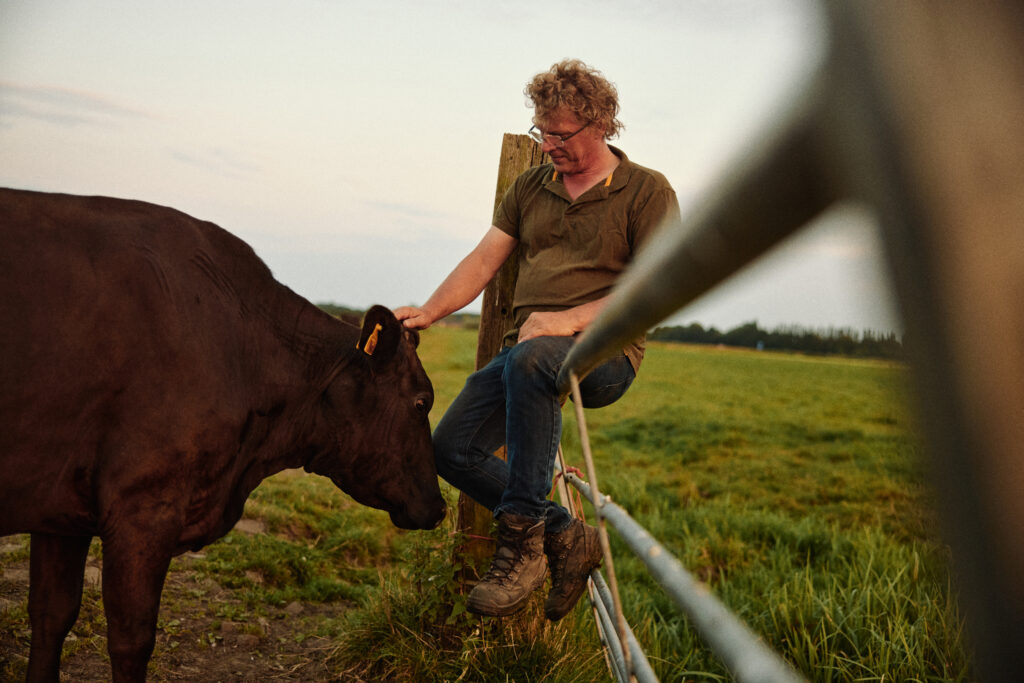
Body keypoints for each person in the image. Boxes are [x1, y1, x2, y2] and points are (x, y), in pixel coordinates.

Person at [394, 59, 681, 621]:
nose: (548, 145)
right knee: (449, 449)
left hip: (605, 354)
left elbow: (658, 288)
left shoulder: (646, 191)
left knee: (534, 356)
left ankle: (521, 548)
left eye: (560, 135)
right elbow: (484, 259)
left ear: (601, 125)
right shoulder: (531, 186)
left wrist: (567, 320)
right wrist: (430, 310)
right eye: (541, 132)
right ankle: (565, 533)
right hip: (526, 354)